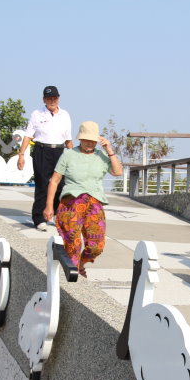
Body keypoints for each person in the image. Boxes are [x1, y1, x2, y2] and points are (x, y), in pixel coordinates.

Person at [43, 121, 123, 278]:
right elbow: (54, 181)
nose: (89, 143)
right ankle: (72, 279)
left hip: (94, 203)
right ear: (80, 139)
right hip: (71, 203)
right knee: (72, 244)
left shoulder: (101, 156)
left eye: (93, 140)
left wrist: (109, 150)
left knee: (97, 246)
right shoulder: (69, 155)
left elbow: (117, 172)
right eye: (86, 139)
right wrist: (48, 206)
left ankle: (79, 264)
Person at [17, 85, 72, 231]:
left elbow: (68, 139)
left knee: (60, 185)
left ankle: (52, 211)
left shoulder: (65, 115)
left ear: (58, 98)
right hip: (41, 150)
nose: (52, 101)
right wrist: (21, 155)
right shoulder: (37, 114)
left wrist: (74, 156)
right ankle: (38, 218)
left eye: (54, 98)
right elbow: (28, 135)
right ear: (44, 100)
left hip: (59, 151)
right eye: (49, 98)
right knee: (42, 185)